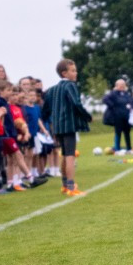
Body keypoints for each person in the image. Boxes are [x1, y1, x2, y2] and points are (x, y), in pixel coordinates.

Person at [43, 59, 92, 195]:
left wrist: (51, 122)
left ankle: (65, 185)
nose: (76, 73)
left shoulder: (52, 90)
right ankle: (71, 187)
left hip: (58, 127)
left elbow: (45, 110)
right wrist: (87, 116)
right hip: (69, 125)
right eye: (73, 70)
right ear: (64, 73)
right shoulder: (70, 86)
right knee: (70, 155)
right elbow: (76, 103)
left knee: (64, 155)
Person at [103, 78, 133, 154]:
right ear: (117, 85)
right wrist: (113, 106)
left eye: (123, 84)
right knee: (118, 133)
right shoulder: (113, 93)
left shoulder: (126, 94)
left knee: (127, 133)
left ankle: (129, 149)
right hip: (117, 117)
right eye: (120, 85)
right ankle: (117, 149)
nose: (122, 86)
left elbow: (131, 102)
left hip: (126, 116)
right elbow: (105, 99)